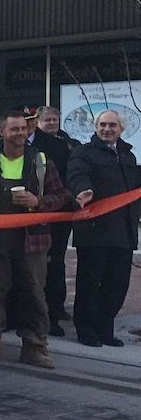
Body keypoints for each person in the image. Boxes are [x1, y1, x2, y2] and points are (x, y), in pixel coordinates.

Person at [0, 108, 72, 367]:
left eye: (24, 129)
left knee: (35, 293)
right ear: (1, 131)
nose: (20, 133)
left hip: (33, 240)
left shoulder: (41, 161)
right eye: (14, 129)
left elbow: (62, 197)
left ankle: (35, 345)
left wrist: (37, 201)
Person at [67, 110, 140, 348]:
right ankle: (86, 330)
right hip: (94, 232)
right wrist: (83, 190)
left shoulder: (128, 157)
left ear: (121, 129)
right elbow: (78, 176)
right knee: (89, 285)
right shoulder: (83, 153)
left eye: (112, 125)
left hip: (124, 233)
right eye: (103, 125)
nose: (107, 129)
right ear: (96, 127)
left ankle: (105, 329)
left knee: (117, 286)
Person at [33, 105, 79, 335]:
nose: (52, 123)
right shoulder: (35, 146)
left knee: (58, 260)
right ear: (39, 121)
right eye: (48, 120)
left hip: (63, 211)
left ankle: (57, 306)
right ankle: (46, 311)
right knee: (44, 262)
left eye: (55, 119)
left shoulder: (68, 142)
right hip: (42, 211)